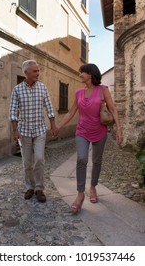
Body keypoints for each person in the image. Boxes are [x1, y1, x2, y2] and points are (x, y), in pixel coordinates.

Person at [53, 63, 122, 213]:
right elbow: (71, 113)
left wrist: (119, 129)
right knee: (82, 159)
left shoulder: (103, 90)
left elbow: (113, 109)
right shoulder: (78, 93)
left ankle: (93, 187)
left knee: (97, 161)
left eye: (81, 72)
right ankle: (79, 194)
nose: (79, 75)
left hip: (100, 131)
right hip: (82, 131)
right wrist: (58, 127)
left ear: (90, 74)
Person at [9, 60, 56, 203]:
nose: (38, 73)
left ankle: (39, 188)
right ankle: (30, 186)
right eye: (35, 71)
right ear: (26, 73)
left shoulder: (43, 88)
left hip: (40, 130)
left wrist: (53, 125)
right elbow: (12, 111)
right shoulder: (17, 90)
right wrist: (15, 130)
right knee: (27, 162)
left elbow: (49, 107)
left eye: (38, 70)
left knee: (40, 159)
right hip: (23, 131)